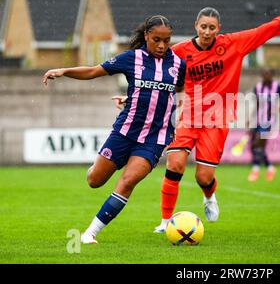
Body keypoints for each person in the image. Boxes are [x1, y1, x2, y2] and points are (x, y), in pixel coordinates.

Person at [152, 2, 280, 232]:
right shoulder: (179, 52)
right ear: (195, 26)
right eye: (203, 27)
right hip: (188, 116)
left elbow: (264, 31)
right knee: (175, 163)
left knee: (204, 177)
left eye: (212, 27)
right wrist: (130, 95)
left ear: (219, 28)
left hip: (217, 120)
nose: (207, 32)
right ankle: (164, 221)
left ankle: (209, 197)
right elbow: (153, 70)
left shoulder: (232, 44)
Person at [43, 15, 186, 243]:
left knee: (128, 181)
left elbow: (176, 94)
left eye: (166, 40)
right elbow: (93, 71)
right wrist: (64, 70)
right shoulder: (131, 58)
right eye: (156, 39)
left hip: (154, 138)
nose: (161, 45)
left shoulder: (178, 64)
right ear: (147, 36)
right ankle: (99, 164)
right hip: (125, 132)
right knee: (95, 181)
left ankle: (90, 233)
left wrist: (176, 120)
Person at [247, 69, 280, 182]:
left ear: (272, 75)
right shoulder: (258, 87)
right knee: (257, 146)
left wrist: (276, 110)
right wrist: (250, 118)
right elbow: (256, 104)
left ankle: (255, 171)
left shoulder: (277, 87)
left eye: (268, 74)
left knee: (256, 144)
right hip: (257, 120)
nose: (266, 76)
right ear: (261, 75)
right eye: (264, 74)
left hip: (270, 122)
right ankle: (270, 168)